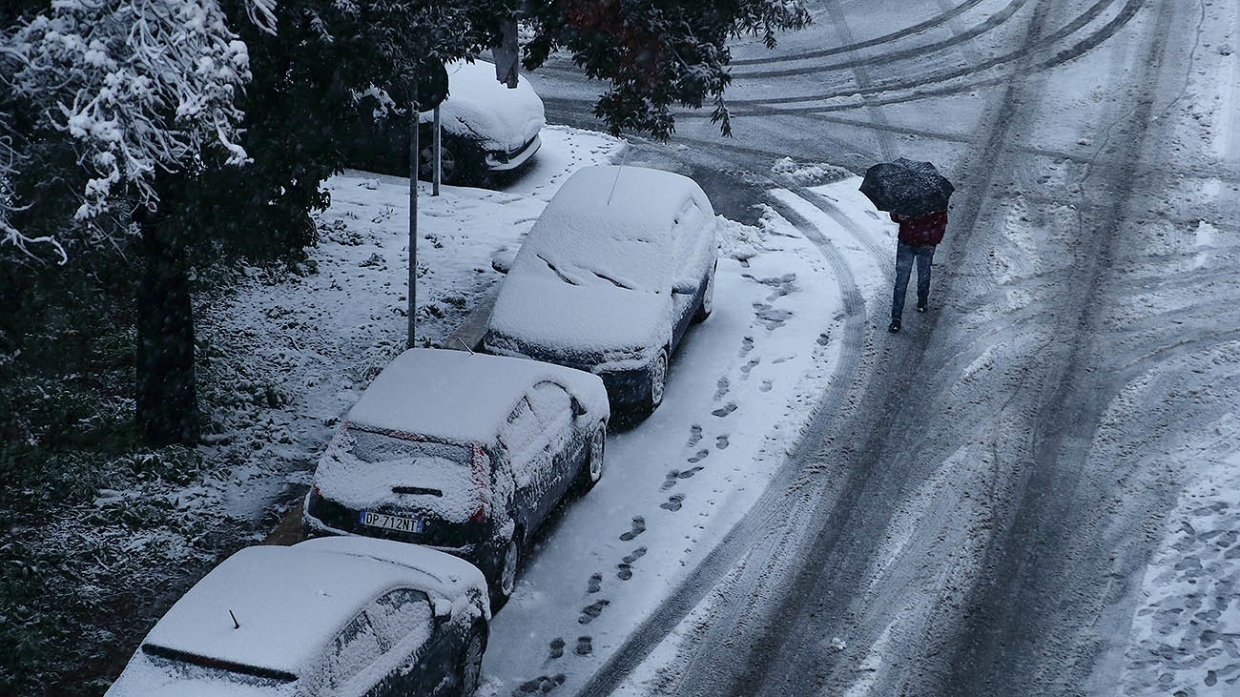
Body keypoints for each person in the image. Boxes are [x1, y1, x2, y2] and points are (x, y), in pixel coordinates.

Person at [888, 208, 948, 333]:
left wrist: (931, 241)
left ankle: (922, 299)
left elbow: (941, 223)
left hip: (924, 245)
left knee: (922, 274)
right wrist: (899, 216)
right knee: (901, 280)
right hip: (907, 242)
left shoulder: (935, 200)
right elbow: (894, 216)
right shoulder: (907, 196)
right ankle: (896, 318)